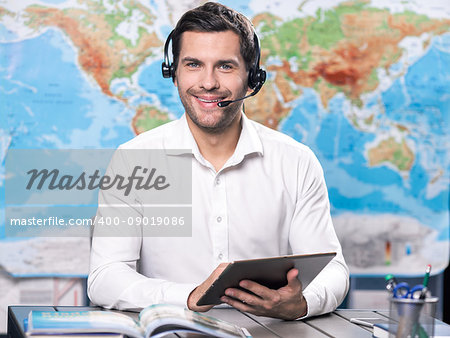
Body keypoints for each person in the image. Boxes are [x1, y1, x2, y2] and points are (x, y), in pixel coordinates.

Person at [88, 2, 349, 320]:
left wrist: (303, 303)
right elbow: (106, 277)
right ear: (174, 73)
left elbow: (333, 270)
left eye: (225, 66)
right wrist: (187, 296)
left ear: (252, 79)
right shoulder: (133, 161)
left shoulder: (296, 162)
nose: (208, 82)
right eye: (193, 64)